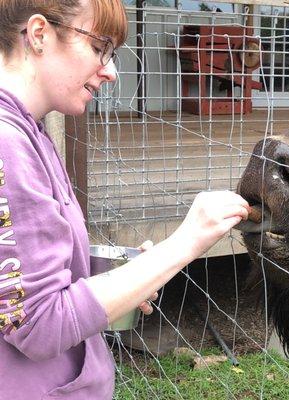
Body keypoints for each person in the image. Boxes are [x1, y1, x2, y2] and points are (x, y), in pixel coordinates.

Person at [0, 1, 250, 398]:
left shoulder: (29, 129)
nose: (112, 71)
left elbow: (27, 275)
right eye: (100, 47)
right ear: (39, 34)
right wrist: (181, 245)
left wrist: (132, 276)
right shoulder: (7, 145)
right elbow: (38, 324)